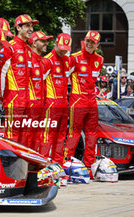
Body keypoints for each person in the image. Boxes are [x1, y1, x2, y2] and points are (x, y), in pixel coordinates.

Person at [65, 30, 104, 175]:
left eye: (92, 42)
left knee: (92, 134)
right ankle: (67, 162)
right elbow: (64, 77)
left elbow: (94, 80)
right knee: (73, 133)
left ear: (97, 45)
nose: (89, 44)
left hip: (92, 100)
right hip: (78, 100)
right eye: (87, 41)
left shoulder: (99, 60)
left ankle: (89, 166)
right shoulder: (74, 58)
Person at [0, 14, 38, 142]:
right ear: (18, 28)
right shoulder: (9, 47)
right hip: (13, 98)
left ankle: (22, 162)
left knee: (25, 135)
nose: (31, 29)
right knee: (12, 134)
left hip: (27, 99)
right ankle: (10, 161)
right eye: (27, 26)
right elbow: (0, 73)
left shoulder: (29, 50)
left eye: (32, 26)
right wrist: (2, 96)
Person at [39, 33, 72, 164]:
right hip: (51, 104)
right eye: (61, 47)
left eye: (66, 48)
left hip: (64, 103)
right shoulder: (47, 60)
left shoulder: (67, 60)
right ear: (56, 44)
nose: (63, 50)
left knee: (61, 135)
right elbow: (39, 83)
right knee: (47, 135)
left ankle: (59, 163)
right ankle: (44, 164)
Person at [25, 31, 53, 151]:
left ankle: (36, 166)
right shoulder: (27, 59)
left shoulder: (44, 62)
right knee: (28, 137)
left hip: (40, 106)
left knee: (39, 137)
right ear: (34, 43)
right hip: (30, 106)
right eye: (43, 41)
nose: (46, 43)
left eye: (46, 41)